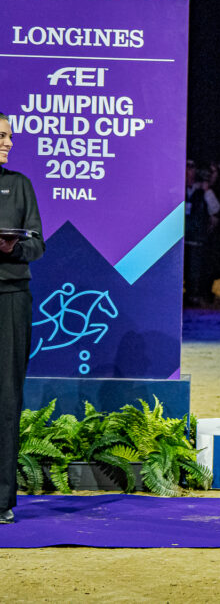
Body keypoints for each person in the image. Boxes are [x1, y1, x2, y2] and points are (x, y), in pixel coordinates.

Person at [0, 112, 45, 524]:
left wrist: (11, 247)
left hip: (11, 298)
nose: (8, 143)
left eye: (10, 136)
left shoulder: (19, 185)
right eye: (1, 136)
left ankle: (1, 500)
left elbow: (37, 246)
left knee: (7, 397)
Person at [184, 160, 220, 306]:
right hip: (180, 238)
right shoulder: (177, 189)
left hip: (197, 237)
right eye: (186, 168)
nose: (188, 171)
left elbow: (216, 209)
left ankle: (195, 294)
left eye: (191, 168)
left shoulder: (203, 191)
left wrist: (207, 190)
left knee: (196, 269)